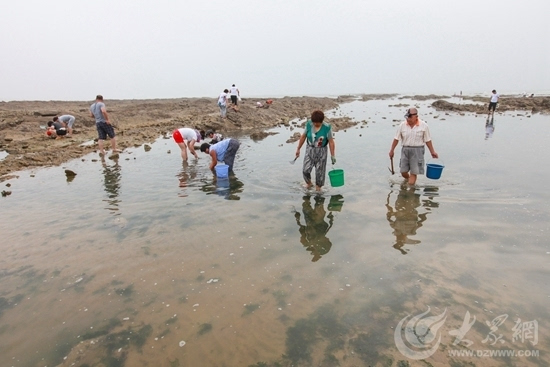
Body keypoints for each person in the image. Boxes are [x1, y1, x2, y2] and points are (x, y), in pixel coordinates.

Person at [389, 108, 438, 186]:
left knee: (414, 172)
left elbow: (428, 140)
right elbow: (396, 138)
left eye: (410, 117)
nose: (408, 119)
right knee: (403, 171)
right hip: (405, 150)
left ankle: (411, 192)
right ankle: (408, 180)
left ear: (416, 116)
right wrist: (392, 150)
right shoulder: (402, 125)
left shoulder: (424, 126)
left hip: (418, 150)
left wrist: (432, 152)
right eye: (407, 117)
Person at [295, 110, 336, 191]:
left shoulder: (327, 127)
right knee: (305, 170)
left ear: (322, 121)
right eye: (314, 122)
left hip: (322, 151)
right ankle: (309, 183)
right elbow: (303, 137)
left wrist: (332, 155)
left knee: (320, 173)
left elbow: (331, 142)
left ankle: (318, 188)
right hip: (310, 150)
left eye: (317, 123)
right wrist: (298, 149)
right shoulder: (309, 124)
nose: (315, 124)